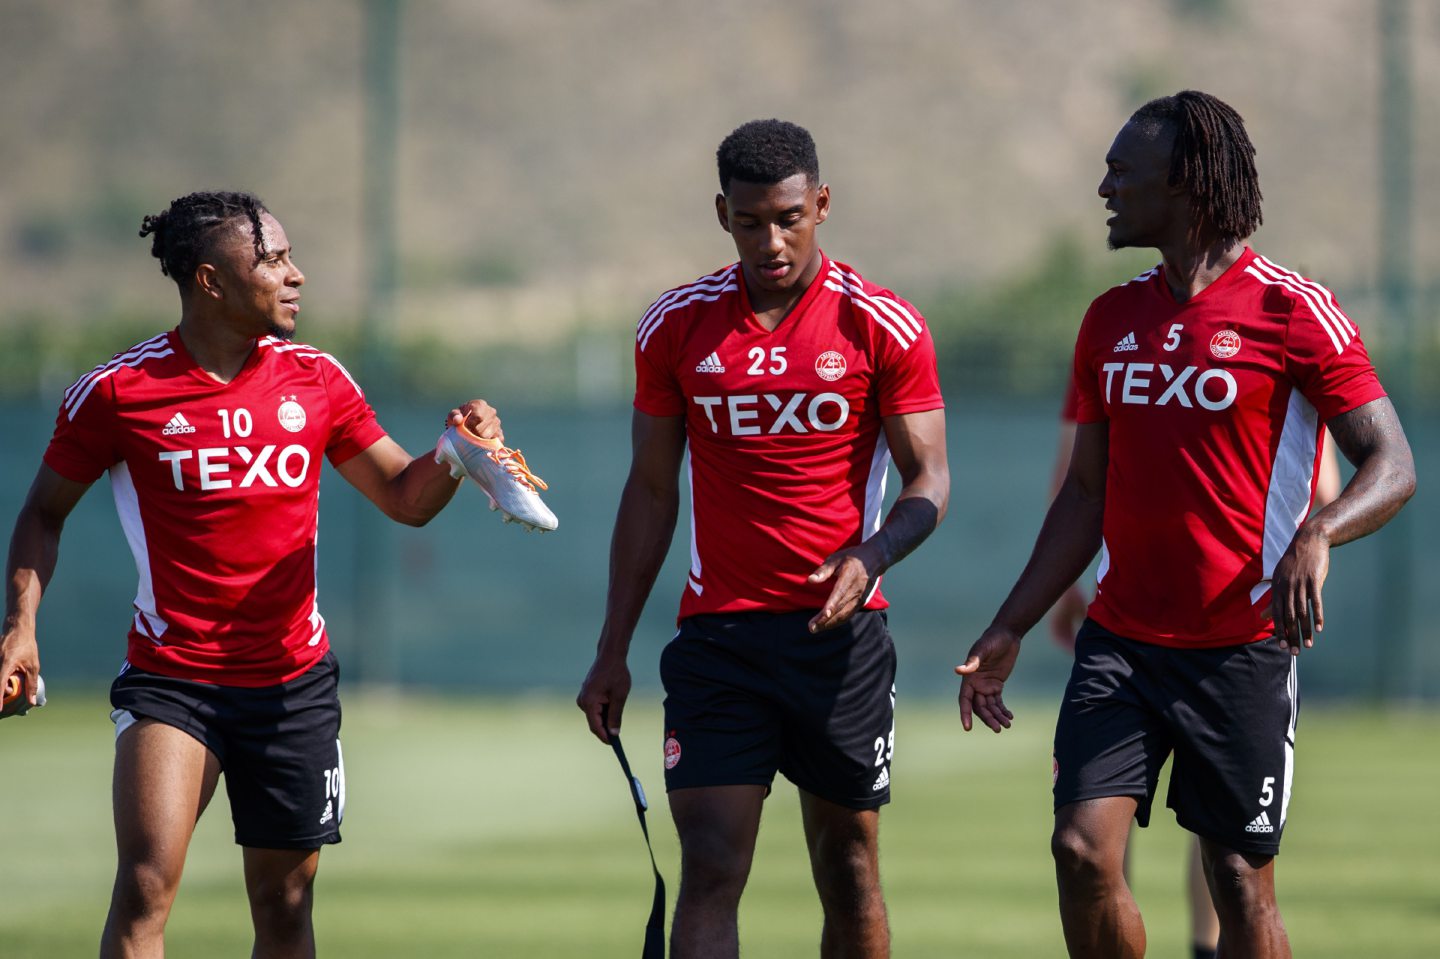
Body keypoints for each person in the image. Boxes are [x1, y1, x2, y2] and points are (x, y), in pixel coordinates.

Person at [0, 191, 538, 958]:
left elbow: (402, 497)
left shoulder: (317, 378)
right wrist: (21, 625)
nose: (297, 276)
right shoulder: (119, 392)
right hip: (173, 677)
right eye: (274, 260)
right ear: (212, 280)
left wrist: (456, 452)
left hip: (292, 684)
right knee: (146, 887)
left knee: (285, 905)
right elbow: (42, 513)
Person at [957, 91, 1415, 958]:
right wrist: (1009, 623)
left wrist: (1317, 532)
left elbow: (1393, 465)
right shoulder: (1109, 320)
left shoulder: (1293, 313)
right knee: (1081, 850)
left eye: (1121, 172)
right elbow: (1085, 495)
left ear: (1188, 185)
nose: (1103, 187)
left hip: (1241, 646)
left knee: (1239, 882)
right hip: (1123, 641)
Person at [576, 120, 949, 959]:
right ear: (722, 214)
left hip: (840, 639)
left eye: (788, 217)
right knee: (709, 862)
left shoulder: (882, 323)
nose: (770, 240)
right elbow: (648, 491)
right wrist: (611, 649)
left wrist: (872, 554)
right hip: (721, 640)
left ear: (822, 204)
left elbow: (930, 480)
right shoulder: (676, 325)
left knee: (848, 865)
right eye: (750, 221)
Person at [1047, 385, 1342, 959]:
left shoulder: (1292, 327)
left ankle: (1207, 946)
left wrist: (1309, 545)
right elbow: (1323, 484)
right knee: (1087, 840)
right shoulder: (1113, 335)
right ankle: (1203, 945)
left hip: (1238, 639)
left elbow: (1071, 476)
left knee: (1235, 867)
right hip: (1128, 633)